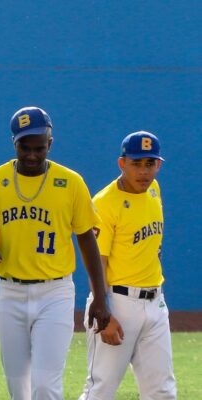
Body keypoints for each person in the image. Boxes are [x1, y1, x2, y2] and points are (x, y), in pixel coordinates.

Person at [0, 106, 112, 400]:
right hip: (10, 292)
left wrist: (100, 297)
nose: (32, 155)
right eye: (25, 147)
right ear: (15, 144)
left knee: (46, 386)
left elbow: (87, 239)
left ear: (50, 143)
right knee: (18, 388)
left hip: (55, 292)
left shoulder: (71, 182)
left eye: (39, 148)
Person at [79, 131, 176, 399]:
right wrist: (104, 312)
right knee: (100, 389)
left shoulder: (154, 190)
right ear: (122, 163)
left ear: (159, 165)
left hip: (155, 302)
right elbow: (97, 262)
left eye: (150, 163)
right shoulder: (104, 203)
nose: (144, 171)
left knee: (163, 391)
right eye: (136, 163)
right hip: (118, 302)